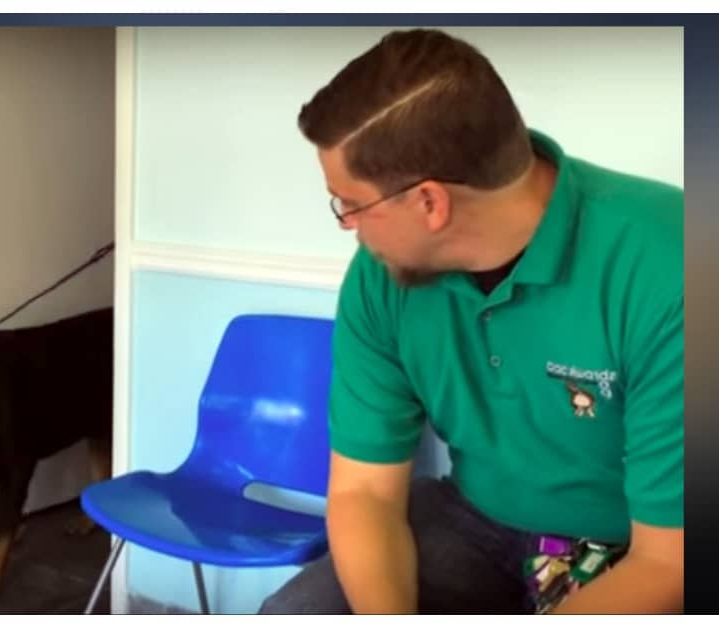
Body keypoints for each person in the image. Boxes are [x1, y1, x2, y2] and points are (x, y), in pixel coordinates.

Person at [259, 28, 683, 614]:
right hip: (476, 521)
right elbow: (364, 492)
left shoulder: (670, 265)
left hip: (632, 544)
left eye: (350, 205)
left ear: (430, 202)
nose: (348, 226)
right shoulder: (380, 278)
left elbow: (668, 563)